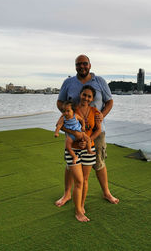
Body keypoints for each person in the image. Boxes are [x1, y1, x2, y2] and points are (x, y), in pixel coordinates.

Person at [55, 54, 119, 207]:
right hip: (73, 132)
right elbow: (60, 102)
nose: (81, 66)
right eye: (78, 64)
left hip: (96, 132)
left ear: (90, 65)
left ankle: (106, 192)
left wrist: (101, 117)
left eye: (84, 64)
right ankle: (67, 194)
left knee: (99, 162)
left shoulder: (100, 81)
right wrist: (68, 117)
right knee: (71, 164)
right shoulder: (68, 82)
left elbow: (109, 101)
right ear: (75, 66)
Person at [63, 85, 101, 222]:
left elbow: (98, 130)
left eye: (89, 96)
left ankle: (81, 204)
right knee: (78, 181)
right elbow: (63, 126)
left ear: (92, 99)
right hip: (73, 149)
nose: (86, 98)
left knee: (84, 180)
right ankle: (78, 211)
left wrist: (88, 140)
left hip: (89, 149)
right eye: (84, 94)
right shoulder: (72, 109)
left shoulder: (95, 112)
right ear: (80, 94)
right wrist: (79, 136)